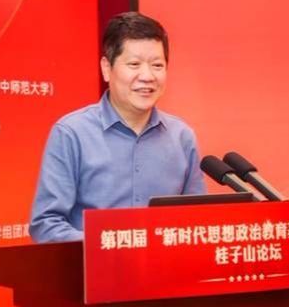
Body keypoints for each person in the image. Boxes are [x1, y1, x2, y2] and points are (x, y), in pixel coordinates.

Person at [29, 12, 206, 242]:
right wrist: (111, 247)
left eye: (157, 65)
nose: (147, 76)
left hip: (163, 266)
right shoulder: (72, 133)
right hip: (91, 265)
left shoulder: (182, 137)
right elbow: (46, 225)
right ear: (106, 68)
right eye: (134, 64)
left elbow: (197, 222)